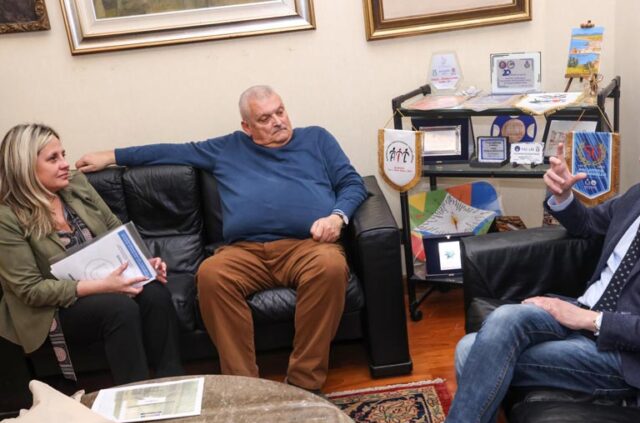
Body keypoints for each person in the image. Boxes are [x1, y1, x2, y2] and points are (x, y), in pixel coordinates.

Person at [379, 102, 640, 423]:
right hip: (582, 313)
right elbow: (589, 225)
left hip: (627, 358)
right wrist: (564, 197)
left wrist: (588, 320)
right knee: (503, 321)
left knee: (471, 350)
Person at [76, 85, 368, 392]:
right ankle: (245, 387)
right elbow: (170, 151)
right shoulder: (227, 148)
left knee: (331, 267)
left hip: (306, 246)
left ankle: (304, 383)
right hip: (245, 252)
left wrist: (337, 217)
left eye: (280, 112)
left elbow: (352, 183)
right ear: (247, 127)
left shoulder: (317, 139)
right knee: (211, 275)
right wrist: (110, 156)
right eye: (265, 118)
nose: (278, 121)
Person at [0, 124, 184, 385]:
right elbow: (31, 290)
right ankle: (134, 396)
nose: (65, 164)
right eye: (53, 158)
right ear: (25, 168)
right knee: (119, 309)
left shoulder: (75, 184)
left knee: (155, 293)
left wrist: (143, 262)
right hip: (53, 306)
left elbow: (114, 229)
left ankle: (174, 385)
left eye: (63, 154)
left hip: (103, 282)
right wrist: (103, 286)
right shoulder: (7, 217)